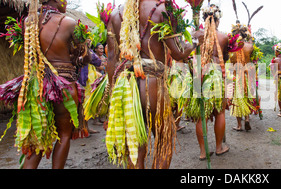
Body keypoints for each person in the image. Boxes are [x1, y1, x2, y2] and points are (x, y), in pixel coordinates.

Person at [107, 0, 203, 169]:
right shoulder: (162, 9)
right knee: (163, 143)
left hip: (125, 86)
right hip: (152, 82)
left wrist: (111, 99)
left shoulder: (115, 14)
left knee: (135, 148)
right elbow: (178, 53)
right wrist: (195, 41)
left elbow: (111, 59)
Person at [0, 0, 91, 169]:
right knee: (64, 136)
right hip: (65, 86)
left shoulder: (29, 22)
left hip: (38, 87)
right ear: (56, 1)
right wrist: (78, 57)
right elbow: (85, 56)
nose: (65, 3)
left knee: (37, 138)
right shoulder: (69, 22)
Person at [185, 4, 230, 160]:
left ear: (204, 20)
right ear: (217, 20)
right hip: (217, 74)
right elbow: (226, 57)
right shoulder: (224, 36)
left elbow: (188, 53)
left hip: (200, 75)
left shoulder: (196, 34)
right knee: (220, 112)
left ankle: (203, 152)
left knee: (200, 115)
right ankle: (219, 148)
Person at [229, 22, 256, 132]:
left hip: (237, 76)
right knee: (247, 96)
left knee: (237, 99)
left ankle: (239, 125)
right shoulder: (250, 46)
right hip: (247, 75)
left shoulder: (232, 49)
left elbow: (230, 63)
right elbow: (253, 59)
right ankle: (247, 118)